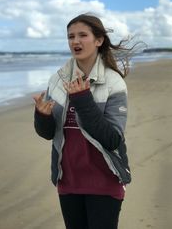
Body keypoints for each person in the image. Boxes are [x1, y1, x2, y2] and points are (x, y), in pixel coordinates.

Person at [33, 13, 132, 229]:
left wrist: (82, 99)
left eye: (82, 35)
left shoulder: (113, 83)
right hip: (68, 179)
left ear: (99, 40)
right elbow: (48, 133)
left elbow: (112, 138)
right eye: (70, 37)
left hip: (105, 179)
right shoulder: (58, 79)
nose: (75, 41)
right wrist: (42, 116)